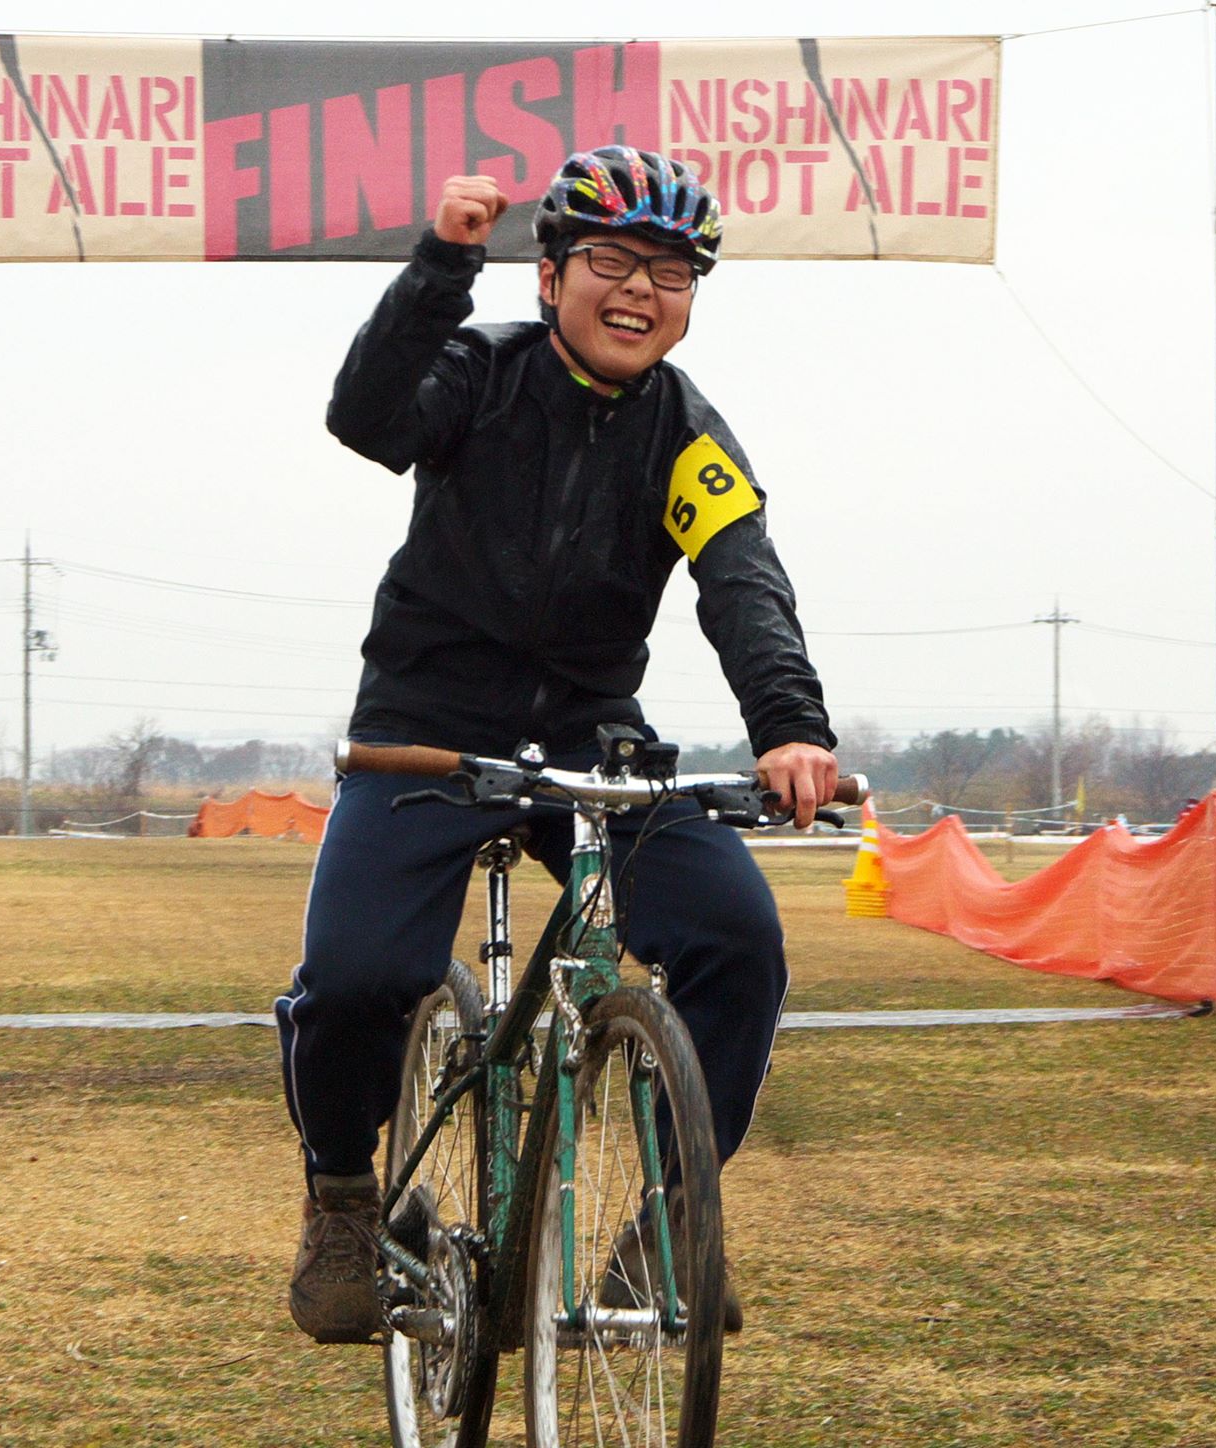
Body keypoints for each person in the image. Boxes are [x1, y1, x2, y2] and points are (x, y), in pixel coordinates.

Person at [276, 148, 836, 1342]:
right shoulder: (478, 371)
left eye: (672, 273)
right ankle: (338, 1197)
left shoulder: (689, 431)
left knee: (738, 938)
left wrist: (789, 725)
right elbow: (364, 416)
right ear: (548, 275)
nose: (641, 290)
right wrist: (438, 267)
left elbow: (743, 582)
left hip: (592, 738)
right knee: (358, 979)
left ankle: (672, 1220)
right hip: (422, 734)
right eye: (613, 261)